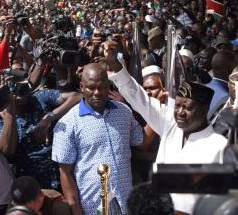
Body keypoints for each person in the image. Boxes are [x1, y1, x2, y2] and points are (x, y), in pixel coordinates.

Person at [107, 59, 227, 215]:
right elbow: (139, 97)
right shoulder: (170, 123)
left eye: (188, 107)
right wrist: (117, 66)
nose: (180, 112)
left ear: (204, 110)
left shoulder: (218, 147)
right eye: (177, 105)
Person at [52, 63, 143, 214]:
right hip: (92, 206)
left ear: (108, 86)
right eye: (91, 87)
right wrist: (75, 209)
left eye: (101, 87)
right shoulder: (68, 123)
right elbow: (65, 173)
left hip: (126, 202)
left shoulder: (124, 112)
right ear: (82, 87)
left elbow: (139, 141)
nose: (97, 93)